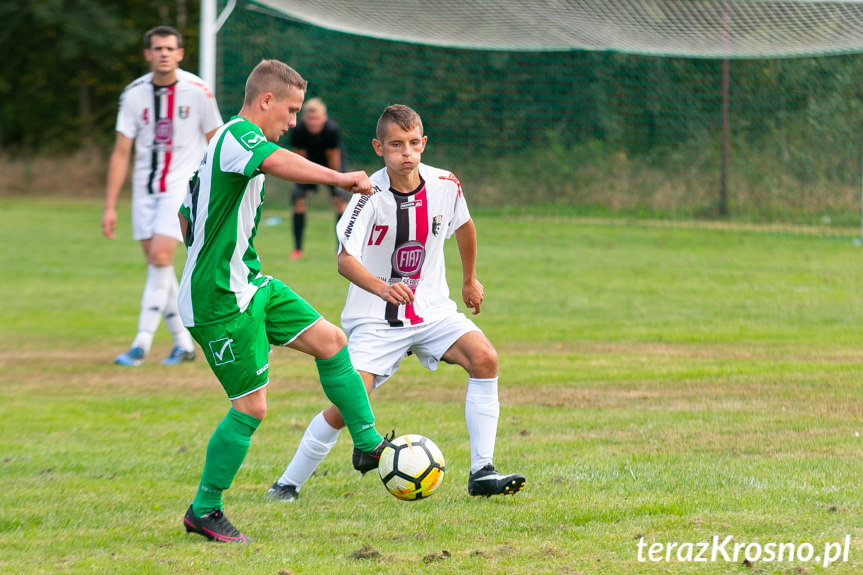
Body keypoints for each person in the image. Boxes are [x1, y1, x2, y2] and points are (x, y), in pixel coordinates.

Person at [267, 104, 526, 502]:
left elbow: (465, 226)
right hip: (376, 320)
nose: (405, 153)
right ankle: (287, 484)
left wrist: (469, 279)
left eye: (412, 144)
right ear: (378, 148)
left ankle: (482, 471)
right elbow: (344, 260)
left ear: (423, 143)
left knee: (485, 358)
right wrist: (381, 288)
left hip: (433, 311)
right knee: (346, 405)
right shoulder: (366, 195)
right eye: (395, 145)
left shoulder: (446, 184)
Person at [178, 60, 390, 544]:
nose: (293, 122)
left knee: (332, 341)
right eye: (290, 110)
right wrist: (340, 179)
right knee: (251, 408)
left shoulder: (227, 146)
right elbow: (276, 163)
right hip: (217, 299)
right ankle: (204, 510)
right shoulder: (236, 136)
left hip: (248, 282)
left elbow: (186, 215)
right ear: (265, 100)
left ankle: (367, 444)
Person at [102, 26, 223, 367]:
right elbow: (121, 152)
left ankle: (140, 344)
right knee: (160, 268)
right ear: (148, 54)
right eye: (157, 48)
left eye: (170, 48)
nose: (164, 53)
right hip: (144, 190)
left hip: (181, 189)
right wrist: (110, 205)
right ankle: (184, 344)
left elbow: (217, 143)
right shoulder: (133, 94)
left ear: (180, 54)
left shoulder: (199, 91)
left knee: (159, 259)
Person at [287, 97, 351, 259]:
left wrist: (335, 184)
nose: (313, 122)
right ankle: (298, 250)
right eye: (309, 119)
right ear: (303, 119)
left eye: (316, 119)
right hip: (308, 162)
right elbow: (299, 159)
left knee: (340, 200)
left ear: (324, 118)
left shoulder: (331, 130)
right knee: (298, 198)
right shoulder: (299, 130)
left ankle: (341, 250)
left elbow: (333, 159)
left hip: (333, 164)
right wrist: (306, 184)